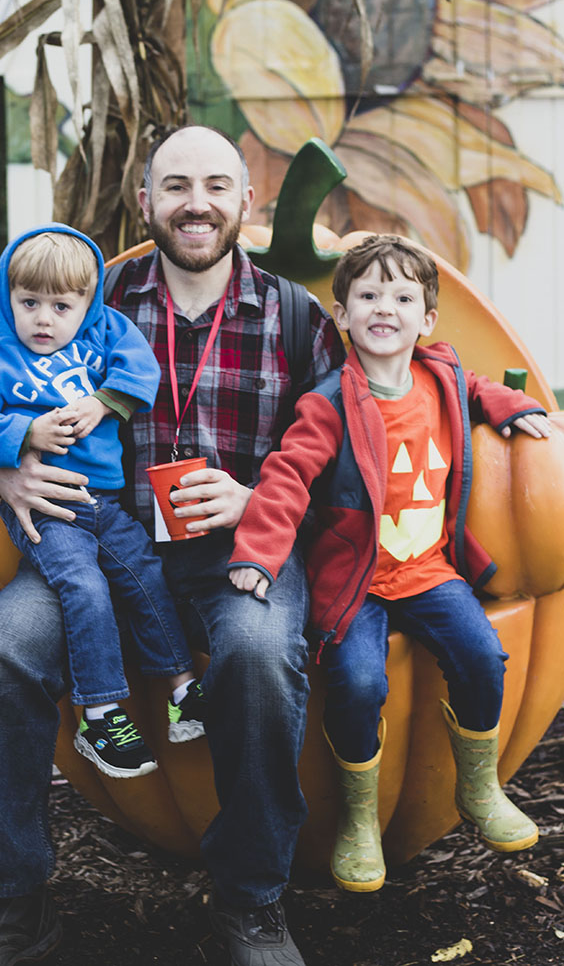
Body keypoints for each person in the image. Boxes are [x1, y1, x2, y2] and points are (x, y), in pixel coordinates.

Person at [0, 124, 346, 966]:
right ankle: (13, 905)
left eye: (217, 187)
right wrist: (3, 471)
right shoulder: (90, 293)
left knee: (263, 655)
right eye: (177, 186)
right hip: (98, 541)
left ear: (246, 202)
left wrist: (255, 495)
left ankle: (250, 901)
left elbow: (346, 469)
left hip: (239, 552)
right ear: (145, 201)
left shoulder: (298, 317)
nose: (197, 204)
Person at [228, 234, 549, 894]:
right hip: (356, 582)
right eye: (367, 295)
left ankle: (479, 787)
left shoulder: (444, 377)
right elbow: (286, 477)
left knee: (483, 657)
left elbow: (480, 390)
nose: (384, 307)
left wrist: (515, 407)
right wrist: (259, 554)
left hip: (430, 569)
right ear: (342, 314)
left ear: (426, 319)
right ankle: (358, 818)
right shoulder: (327, 405)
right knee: (358, 682)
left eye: (402, 296)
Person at [0, 226, 206, 781]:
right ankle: (101, 714)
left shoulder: (104, 332)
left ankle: (183, 689)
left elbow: (141, 367)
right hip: (44, 510)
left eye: (61, 306)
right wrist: (23, 434)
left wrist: (104, 402)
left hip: (103, 501)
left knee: (144, 575)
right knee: (83, 589)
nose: (43, 319)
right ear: (5, 296)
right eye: (29, 302)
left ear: (87, 303)